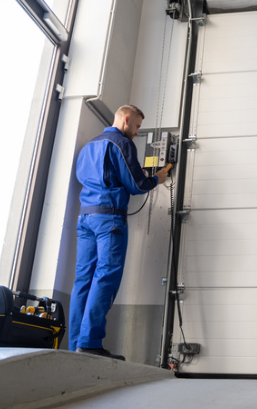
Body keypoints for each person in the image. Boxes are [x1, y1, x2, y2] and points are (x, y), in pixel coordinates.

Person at [69, 104, 170, 360]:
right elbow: (137, 185)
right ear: (126, 120)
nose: (136, 132)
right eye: (136, 126)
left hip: (85, 217)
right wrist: (158, 177)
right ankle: (90, 343)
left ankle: (75, 347)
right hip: (109, 221)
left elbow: (88, 177)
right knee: (105, 277)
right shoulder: (121, 144)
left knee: (83, 280)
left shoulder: (88, 147)